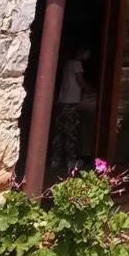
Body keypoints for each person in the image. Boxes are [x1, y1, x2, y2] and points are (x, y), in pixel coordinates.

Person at [51, 45, 91, 173]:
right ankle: (71, 162)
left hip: (62, 102)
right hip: (72, 103)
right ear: (82, 52)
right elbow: (80, 81)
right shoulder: (77, 64)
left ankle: (55, 160)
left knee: (59, 132)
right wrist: (91, 90)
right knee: (71, 134)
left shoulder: (67, 63)